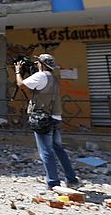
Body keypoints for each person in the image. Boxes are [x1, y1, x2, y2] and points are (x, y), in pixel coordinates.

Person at [15, 53, 80, 190]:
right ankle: (72, 179)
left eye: (38, 62)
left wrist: (17, 71)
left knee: (46, 151)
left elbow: (21, 84)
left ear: (43, 64)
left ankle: (53, 182)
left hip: (43, 119)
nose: (37, 64)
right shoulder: (53, 78)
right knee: (58, 149)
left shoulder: (40, 76)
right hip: (55, 117)